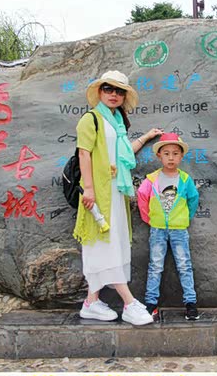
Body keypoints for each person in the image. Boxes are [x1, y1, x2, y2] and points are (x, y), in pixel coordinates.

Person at [73, 70, 162, 325]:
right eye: (108, 89)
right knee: (106, 243)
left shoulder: (117, 123)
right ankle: (129, 303)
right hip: (99, 192)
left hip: (115, 190)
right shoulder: (91, 119)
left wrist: (146, 137)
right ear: (99, 92)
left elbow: (123, 153)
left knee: (111, 243)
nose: (114, 94)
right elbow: (84, 154)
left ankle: (91, 302)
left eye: (119, 91)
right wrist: (89, 189)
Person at [136, 133, 200, 321]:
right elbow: (142, 197)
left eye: (175, 153)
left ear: (181, 156)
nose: (171, 157)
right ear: (159, 156)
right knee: (155, 266)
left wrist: (184, 217)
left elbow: (193, 199)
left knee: (184, 265)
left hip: (179, 229)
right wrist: (149, 218)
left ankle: (190, 303)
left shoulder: (185, 180)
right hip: (157, 229)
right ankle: (151, 303)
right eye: (166, 153)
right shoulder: (152, 179)